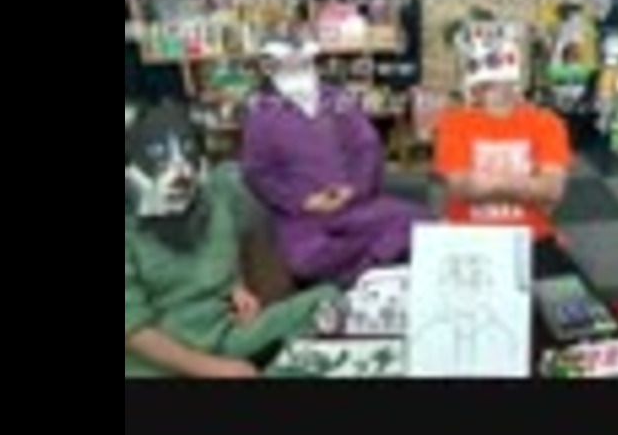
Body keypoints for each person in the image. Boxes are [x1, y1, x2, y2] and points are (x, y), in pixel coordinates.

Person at [125, 101, 342, 378]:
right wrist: (213, 369)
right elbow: (132, 329)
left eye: (187, 150)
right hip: (163, 363)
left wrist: (237, 288)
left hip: (227, 335)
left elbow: (224, 253)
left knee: (327, 300)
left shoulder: (216, 196)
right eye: (159, 154)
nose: (179, 172)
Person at [241, 34, 430, 289]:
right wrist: (303, 201)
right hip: (304, 218)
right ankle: (369, 262)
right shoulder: (261, 114)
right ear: (274, 69)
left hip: (354, 206)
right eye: (289, 66)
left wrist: (353, 189)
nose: (297, 71)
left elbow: (367, 147)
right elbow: (258, 173)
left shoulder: (338, 100)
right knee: (305, 260)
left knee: (419, 223)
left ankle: (362, 267)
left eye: (302, 64)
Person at [435, 20, 577, 278]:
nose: (497, 89)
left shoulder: (547, 123)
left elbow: (552, 190)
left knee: (567, 300)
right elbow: (461, 188)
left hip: (533, 236)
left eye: (503, 81)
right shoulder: (453, 123)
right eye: (490, 83)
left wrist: (486, 185)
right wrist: (528, 187)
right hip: (467, 236)